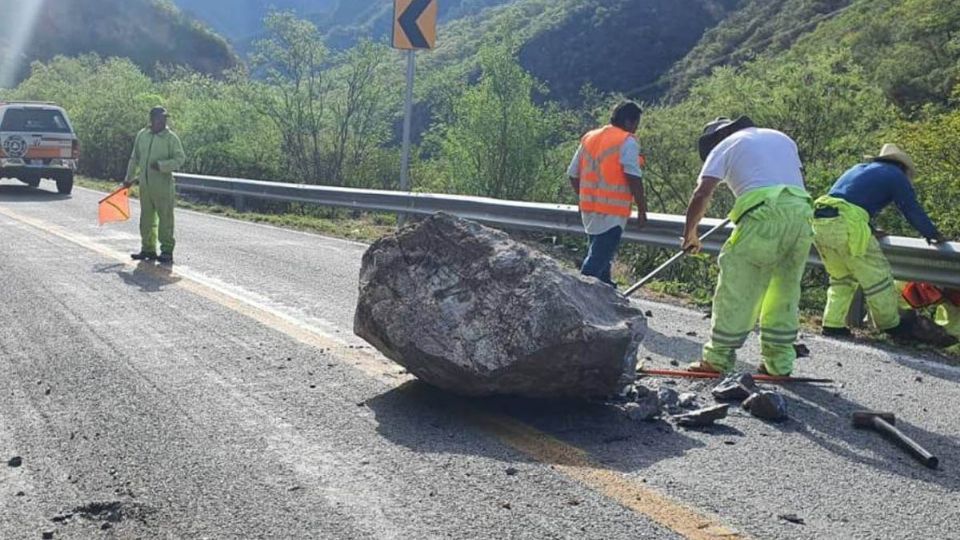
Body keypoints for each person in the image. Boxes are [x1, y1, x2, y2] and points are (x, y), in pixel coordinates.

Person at [683, 117, 813, 377]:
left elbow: (702, 193)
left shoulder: (724, 146)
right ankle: (779, 364)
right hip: (802, 214)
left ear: (715, 140)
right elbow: (787, 180)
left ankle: (716, 360)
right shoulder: (780, 137)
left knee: (738, 286)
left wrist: (690, 234)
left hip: (763, 217)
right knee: (784, 289)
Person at [812, 144, 946, 339]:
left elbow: (845, 201)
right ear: (903, 168)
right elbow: (910, 208)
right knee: (878, 276)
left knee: (842, 278)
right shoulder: (896, 175)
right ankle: (891, 326)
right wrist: (933, 234)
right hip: (848, 225)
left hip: (820, 221)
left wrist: (870, 229)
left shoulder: (858, 168)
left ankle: (832, 324)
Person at [567, 101, 648, 287]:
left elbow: (573, 174)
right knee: (595, 263)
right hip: (612, 212)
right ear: (629, 122)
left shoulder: (589, 137)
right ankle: (579, 300)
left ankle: (605, 298)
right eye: (636, 123)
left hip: (589, 209)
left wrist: (583, 196)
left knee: (601, 264)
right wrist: (642, 209)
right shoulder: (627, 141)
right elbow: (633, 176)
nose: (636, 128)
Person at [124, 106, 186, 264]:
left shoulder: (171, 138)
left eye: (165, 118)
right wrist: (128, 178)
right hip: (145, 186)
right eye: (159, 118)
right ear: (151, 120)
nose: (163, 121)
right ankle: (148, 249)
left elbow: (180, 160)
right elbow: (134, 158)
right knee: (146, 218)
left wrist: (161, 165)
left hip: (163, 186)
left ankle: (166, 250)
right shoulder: (142, 135)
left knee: (165, 219)